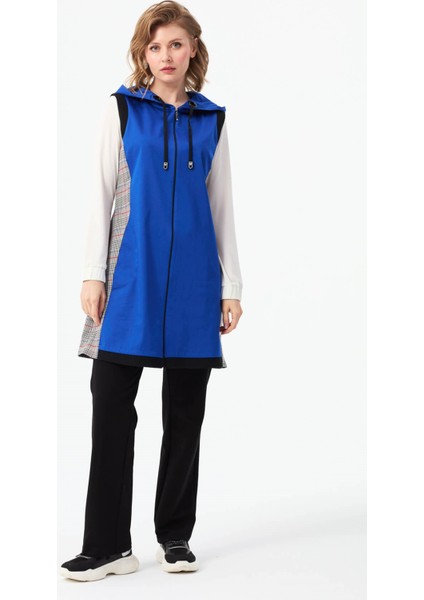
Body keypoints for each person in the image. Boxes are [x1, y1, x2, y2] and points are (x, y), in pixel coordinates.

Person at [59, 0, 243, 581]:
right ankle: (107, 545)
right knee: (111, 403)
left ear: (193, 50)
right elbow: (100, 194)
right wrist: (93, 273)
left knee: (185, 413)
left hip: (194, 282)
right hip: (130, 277)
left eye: (176, 44)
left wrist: (231, 285)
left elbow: (222, 206)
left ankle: (175, 537)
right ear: (143, 53)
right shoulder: (122, 110)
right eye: (155, 45)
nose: (166, 55)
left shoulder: (211, 120)